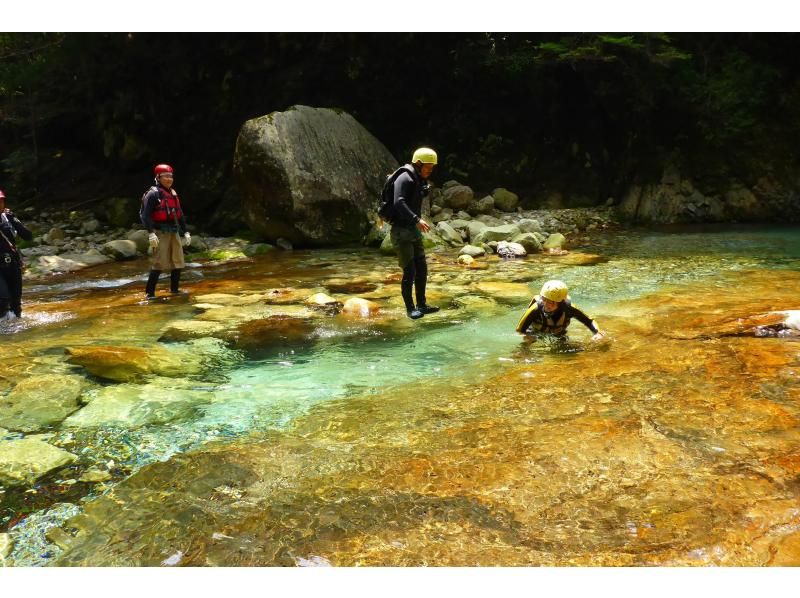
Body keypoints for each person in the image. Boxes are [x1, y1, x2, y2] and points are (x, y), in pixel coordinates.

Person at [389, 147, 440, 319]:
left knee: (422, 269)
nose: (430, 170)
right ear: (418, 163)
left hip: (413, 231)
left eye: (432, 167)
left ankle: (422, 305)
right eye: (428, 166)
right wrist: (417, 220)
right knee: (409, 271)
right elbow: (398, 202)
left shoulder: (419, 179)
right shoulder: (404, 178)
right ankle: (410, 309)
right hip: (401, 231)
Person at [140, 163, 191, 299]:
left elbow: (179, 214)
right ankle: (149, 294)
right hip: (160, 232)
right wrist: (150, 233)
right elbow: (145, 215)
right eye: (165, 176)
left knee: (178, 261)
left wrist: (185, 232)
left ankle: (174, 290)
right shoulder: (153, 194)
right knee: (159, 263)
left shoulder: (173, 193)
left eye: (171, 176)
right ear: (158, 177)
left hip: (173, 231)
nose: (169, 179)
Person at [515, 280, 606, 341]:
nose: (546, 305)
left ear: (560, 303)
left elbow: (589, 321)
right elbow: (519, 330)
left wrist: (598, 333)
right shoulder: (536, 309)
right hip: (535, 333)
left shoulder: (569, 308)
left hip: (559, 334)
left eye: (551, 302)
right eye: (544, 299)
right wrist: (527, 337)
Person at [0, 189, 33, 320]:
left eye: (1, 201)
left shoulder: (8, 217)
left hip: (12, 263)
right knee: (3, 298)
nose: (0, 203)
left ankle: (17, 330)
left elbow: (28, 236)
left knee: (16, 303)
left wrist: (14, 220)